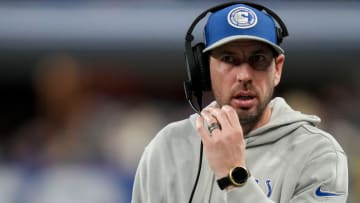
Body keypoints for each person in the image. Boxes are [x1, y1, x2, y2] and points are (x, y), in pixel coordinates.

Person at [132, 2, 348, 203]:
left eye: (258, 60)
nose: (244, 75)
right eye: (228, 59)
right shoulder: (168, 146)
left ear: (278, 69)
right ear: (205, 69)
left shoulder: (319, 154)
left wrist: (234, 176)